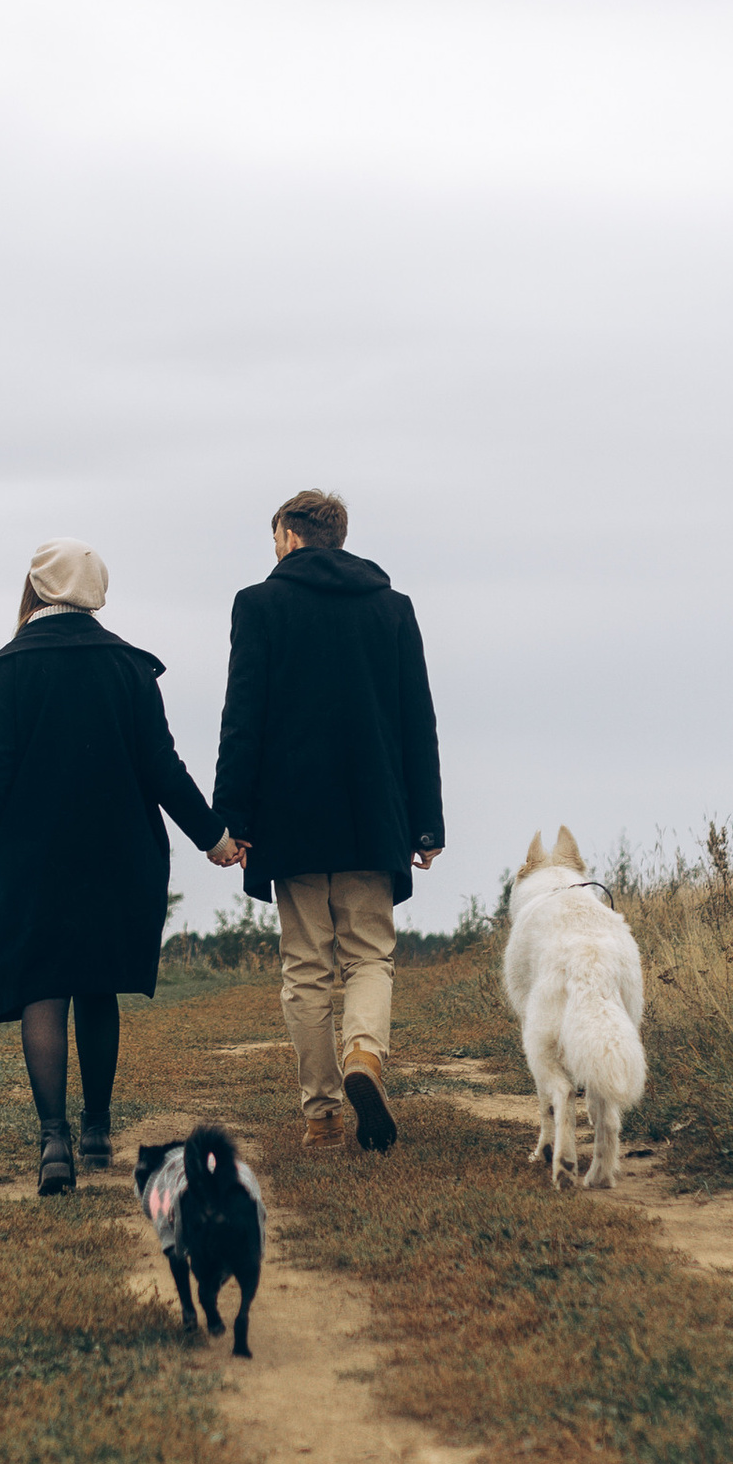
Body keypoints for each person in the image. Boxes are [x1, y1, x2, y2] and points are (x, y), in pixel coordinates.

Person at [0, 540, 230, 1196]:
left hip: (29, 858)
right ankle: (99, 1126)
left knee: (43, 988)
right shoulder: (129, 668)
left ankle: (53, 1140)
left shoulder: (3, 671)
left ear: (34, 587)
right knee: (98, 984)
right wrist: (213, 836)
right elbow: (162, 767)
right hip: (118, 852)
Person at [211, 488, 443, 1153]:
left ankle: (321, 1116)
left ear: (288, 535)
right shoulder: (391, 608)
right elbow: (415, 721)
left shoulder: (258, 605)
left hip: (291, 816)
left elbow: (243, 718)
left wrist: (233, 816)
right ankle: (363, 1058)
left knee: (307, 967)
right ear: (337, 536)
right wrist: (424, 823)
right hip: (375, 815)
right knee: (371, 954)